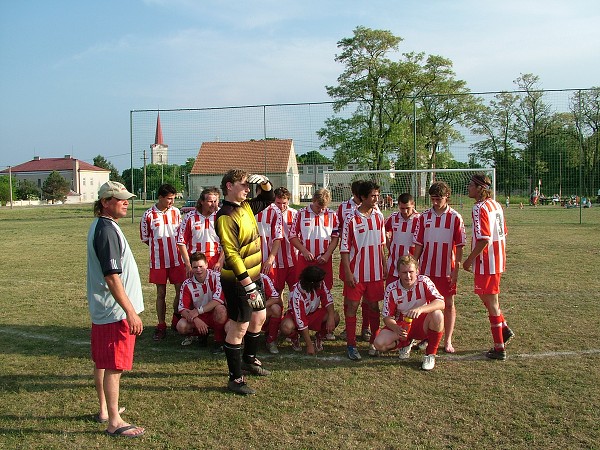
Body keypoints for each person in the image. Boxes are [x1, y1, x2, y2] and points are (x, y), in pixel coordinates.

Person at [87, 181, 145, 438]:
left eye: (126, 198)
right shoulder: (107, 231)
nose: (126, 202)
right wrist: (130, 311)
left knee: (103, 361)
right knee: (114, 366)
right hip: (115, 312)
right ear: (105, 202)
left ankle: (104, 411)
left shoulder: (105, 226)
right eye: (120, 198)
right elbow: (112, 277)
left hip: (106, 310)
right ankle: (114, 421)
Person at [215, 169, 274, 395]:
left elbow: (267, 198)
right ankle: (235, 378)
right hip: (239, 282)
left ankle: (249, 359)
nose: (248, 189)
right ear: (229, 186)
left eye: (249, 185)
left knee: (259, 317)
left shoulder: (246, 206)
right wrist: (248, 285)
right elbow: (231, 254)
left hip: (254, 277)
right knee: (239, 326)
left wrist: (266, 182)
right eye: (243, 185)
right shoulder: (225, 216)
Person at [462, 174, 514, 360]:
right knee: (488, 299)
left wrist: (469, 260)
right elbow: (503, 232)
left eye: (470, 185)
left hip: (487, 262)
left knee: (491, 304)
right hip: (497, 260)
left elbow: (484, 238)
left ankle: (499, 348)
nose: (468, 188)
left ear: (479, 188)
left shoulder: (479, 208)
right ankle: (504, 328)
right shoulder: (496, 205)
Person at [413, 181, 466, 354]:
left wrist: (455, 269)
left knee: (448, 304)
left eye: (439, 199)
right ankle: (426, 337)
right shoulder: (424, 217)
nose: (435, 202)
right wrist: (414, 265)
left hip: (446, 270)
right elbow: (419, 243)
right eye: (433, 199)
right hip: (427, 270)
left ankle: (448, 339)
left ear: (447, 197)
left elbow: (459, 246)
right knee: (426, 304)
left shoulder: (455, 217)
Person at [340, 180, 387, 360]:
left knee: (374, 307)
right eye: (372, 195)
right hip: (357, 273)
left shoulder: (379, 216)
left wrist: (384, 266)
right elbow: (344, 248)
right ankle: (351, 345)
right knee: (352, 306)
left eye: (377, 195)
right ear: (363, 197)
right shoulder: (351, 218)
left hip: (374, 273)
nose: (376, 198)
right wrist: (349, 273)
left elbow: (382, 244)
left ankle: (373, 342)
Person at [373, 255, 445, 370]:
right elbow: (387, 317)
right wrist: (397, 328)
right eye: (404, 272)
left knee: (437, 314)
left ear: (417, 271)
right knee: (379, 344)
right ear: (398, 273)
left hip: (422, 323)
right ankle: (404, 344)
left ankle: (430, 354)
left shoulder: (424, 281)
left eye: (411, 272)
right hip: (402, 325)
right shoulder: (391, 289)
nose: (408, 276)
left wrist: (420, 309)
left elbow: (441, 303)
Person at [140, 183, 186, 341]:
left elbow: (181, 235)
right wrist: (159, 248)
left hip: (177, 260)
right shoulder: (148, 215)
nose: (171, 202)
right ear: (160, 197)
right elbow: (146, 239)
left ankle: (176, 317)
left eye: (173, 199)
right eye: (169, 199)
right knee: (161, 293)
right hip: (158, 261)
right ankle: (161, 325)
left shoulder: (176, 212)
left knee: (180, 291)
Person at [337, 179, 371, 342]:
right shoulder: (343, 208)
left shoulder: (373, 206)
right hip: (349, 260)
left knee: (368, 297)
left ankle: (366, 328)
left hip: (367, 260)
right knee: (349, 295)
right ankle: (347, 328)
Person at [279, 266, 340, 355]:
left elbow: (328, 300)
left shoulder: (320, 284)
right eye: (319, 282)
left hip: (313, 314)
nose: (321, 283)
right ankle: (294, 337)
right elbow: (300, 320)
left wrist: (330, 318)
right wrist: (309, 345)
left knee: (335, 316)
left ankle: (319, 336)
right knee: (286, 327)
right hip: (295, 317)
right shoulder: (296, 294)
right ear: (312, 283)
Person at [176, 252, 227, 353]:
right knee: (181, 326)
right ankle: (201, 334)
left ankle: (218, 340)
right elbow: (182, 309)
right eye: (195, 267)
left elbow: (218, 300)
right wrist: (195, 319)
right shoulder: (187, 284)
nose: (198, 270)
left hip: (215, 314)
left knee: (221, 309)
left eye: (201, 266)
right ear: (191, 267)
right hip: (199, 317)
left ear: (207, 265)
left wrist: (198, 311)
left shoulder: (217, 277)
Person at [290, 188, 339, 291]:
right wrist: (304, 251)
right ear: (313, 200)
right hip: (305, 259)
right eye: (318, 207)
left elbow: (335, 237)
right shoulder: (301, 213)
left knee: (325, 290)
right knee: (304, 289)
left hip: (324, 259)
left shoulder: (332, 214)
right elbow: (292, 236)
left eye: (323, 208)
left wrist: (327, 254)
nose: (320, 210)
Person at [177, 187, 224, 274]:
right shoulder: (190, 217)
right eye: (210, 201)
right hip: (195, 262)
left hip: (215, 262)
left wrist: (220, 261)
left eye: (215, 201)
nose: (213, 205)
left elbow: (227, 242)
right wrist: (188, 264)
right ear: (202, 202)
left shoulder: (221, 216)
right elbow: (181, 242)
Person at [385, 193, 420, 285]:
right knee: (391, 294)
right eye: (402, 208)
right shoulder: (393, 217)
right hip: (394, 264)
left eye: (407, 208)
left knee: (410, 296)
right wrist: (390, 247)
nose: (404, 211)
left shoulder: (420, 219)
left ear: (413, 204)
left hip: (411, 266)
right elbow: (383, 230)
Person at [272, 187, 299, 293]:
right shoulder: (269, 214)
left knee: (296, 289)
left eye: (284, 203)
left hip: (293, 259)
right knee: (277, 291)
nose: (281, 206)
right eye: (278, 203)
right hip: (276, 260)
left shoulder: (295, 214)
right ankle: (280, 309)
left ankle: (293, 309)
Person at [259, 272, 284, 354]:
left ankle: (271, 340)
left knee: (276, 309)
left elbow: (276, 299)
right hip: (243, 313)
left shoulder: (264, 278)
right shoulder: (237, 277)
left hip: (258, 311)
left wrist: (258, 307)